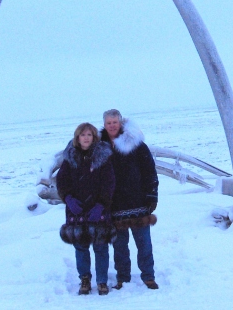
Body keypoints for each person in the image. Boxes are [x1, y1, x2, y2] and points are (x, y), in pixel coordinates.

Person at [100, 109, 159, 290]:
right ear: (104, 124)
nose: (112, 126)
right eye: (108, 123)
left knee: (144, 244)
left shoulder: (136, 144)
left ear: (121, 123)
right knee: (119, 246)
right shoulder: (99, 147)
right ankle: (122, 277)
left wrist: (152, 195)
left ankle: (148, 276)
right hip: (114, 205)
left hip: (138, 202)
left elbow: (150, 171)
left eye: (114, 122)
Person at [56, 122, 116, 295]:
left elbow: (109, 183)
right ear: (77, 137)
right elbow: (62, 181)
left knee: (100, 247)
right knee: (81, 248)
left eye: (89, 135)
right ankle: (84, 279)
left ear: (94, 137)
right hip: (77, 210)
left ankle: (102, 281)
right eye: (83, 135)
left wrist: (101, 205)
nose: (86, 138)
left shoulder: (102, 158)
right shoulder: (70, 158)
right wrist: (68, 199)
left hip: (98, 210)